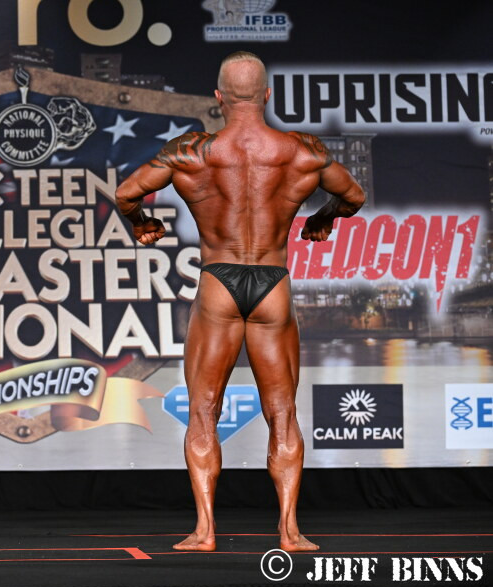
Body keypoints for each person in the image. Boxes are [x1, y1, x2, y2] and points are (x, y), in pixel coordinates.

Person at [115, 51, 365, 552]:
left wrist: (142, 224)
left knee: (203, 411)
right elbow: (353, 196)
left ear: (218, 98)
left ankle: (205, 531)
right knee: (283, 412)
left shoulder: (191, 152)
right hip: (273, 283)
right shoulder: (302, 151)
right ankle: (290, 531)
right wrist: (322, 218)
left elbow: (126, 193)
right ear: (267, 95)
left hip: (218, 282)